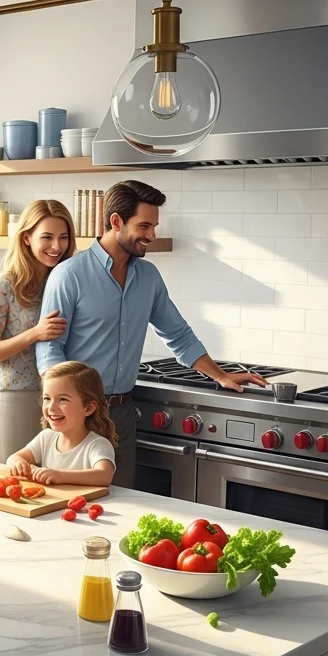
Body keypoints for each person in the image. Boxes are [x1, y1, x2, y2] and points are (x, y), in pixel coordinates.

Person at [36, 179, 267, 487]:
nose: (152, 236)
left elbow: (178, 334)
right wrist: (66, 410)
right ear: (116, 221)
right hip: (78, 416)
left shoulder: (149, 277)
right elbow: (50, 351)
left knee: (124, 502)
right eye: (144, 226)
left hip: (123, 413)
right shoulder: (69, 276)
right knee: (71, 504)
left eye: (154, 226)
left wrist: (220, 375)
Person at [0, 200, 74, 462]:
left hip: (57, 402)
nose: (57, 246)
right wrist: (34, 333)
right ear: (27, 238)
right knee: (7, 481)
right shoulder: (4, 285)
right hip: (13, 399)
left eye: (63, 237)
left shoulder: (65, 283)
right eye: (47, 237)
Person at [7, 361, 116, 488]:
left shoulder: (97, 444)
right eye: (47, 398)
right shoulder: (46, 437)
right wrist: (18, 463)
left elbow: (104, 476)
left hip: (83, 506)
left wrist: (60, 476)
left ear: (88, 408)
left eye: (63, 399)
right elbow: (14, 457)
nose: (51, 407)